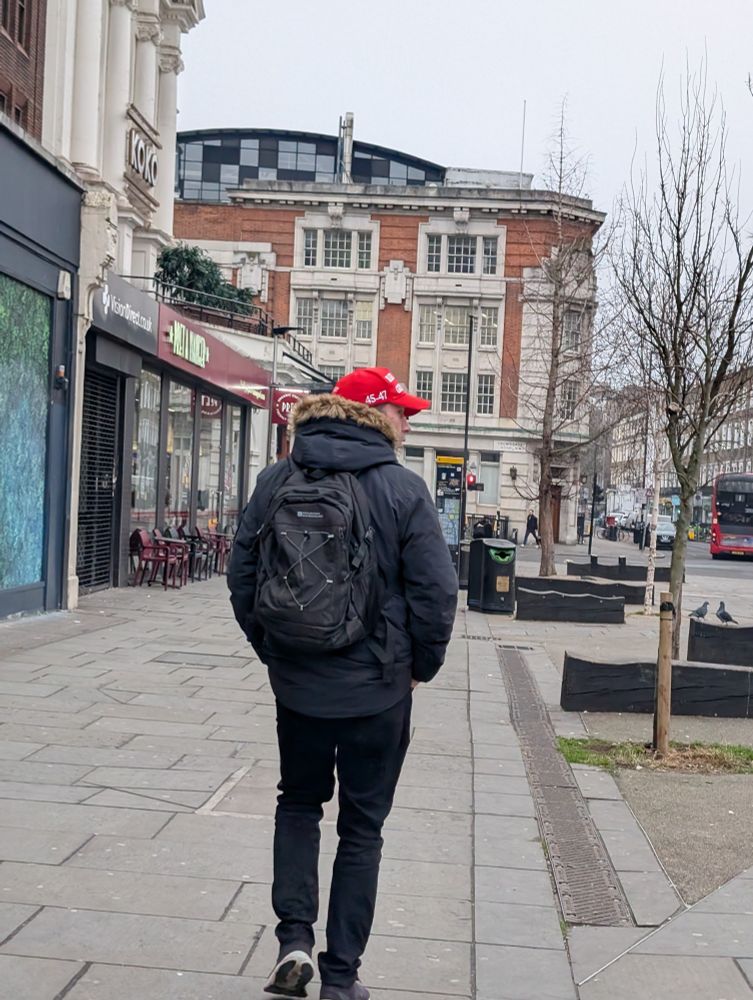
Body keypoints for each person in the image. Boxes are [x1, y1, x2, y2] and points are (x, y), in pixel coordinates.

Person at [227, 367, 458, 1000]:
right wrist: (420, 668)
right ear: (370, 413)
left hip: (297, 684)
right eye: (401, 413)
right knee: (362, 828)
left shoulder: (277, 477)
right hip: (379, 689)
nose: (408, 424)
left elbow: (241, 574)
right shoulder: (403, 490)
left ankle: (293, 939)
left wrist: (272, 650)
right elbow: (437, 595)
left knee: (298, 804)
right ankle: (340, 977)